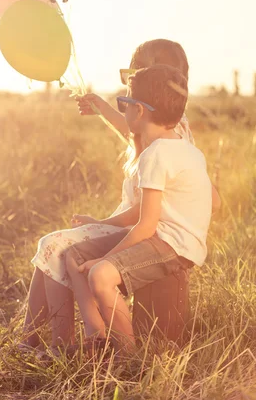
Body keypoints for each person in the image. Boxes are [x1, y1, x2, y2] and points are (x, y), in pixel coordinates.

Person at [21, 40, 219, 352]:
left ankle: (61, 346)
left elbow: (152, 214)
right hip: (138, 224)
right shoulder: (161, 127)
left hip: (147, 230)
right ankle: (50, 341)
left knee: (54, 246)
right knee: (57, 248)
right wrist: (102, 106)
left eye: (132, 75)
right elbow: (132, 131)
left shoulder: (170, 140)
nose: (125, 86)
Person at [65, 64, 213, 355]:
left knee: (100, 275)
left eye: (125, 102)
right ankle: (98, 335)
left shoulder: (156, 154)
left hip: (175, 245)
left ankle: (128, 355)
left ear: (140, 111)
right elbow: (140, 213)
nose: (124, 109)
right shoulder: (177, 147)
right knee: (75, 253)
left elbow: (146, 226)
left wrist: (104, 259)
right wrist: (100, 223)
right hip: (161, 234)